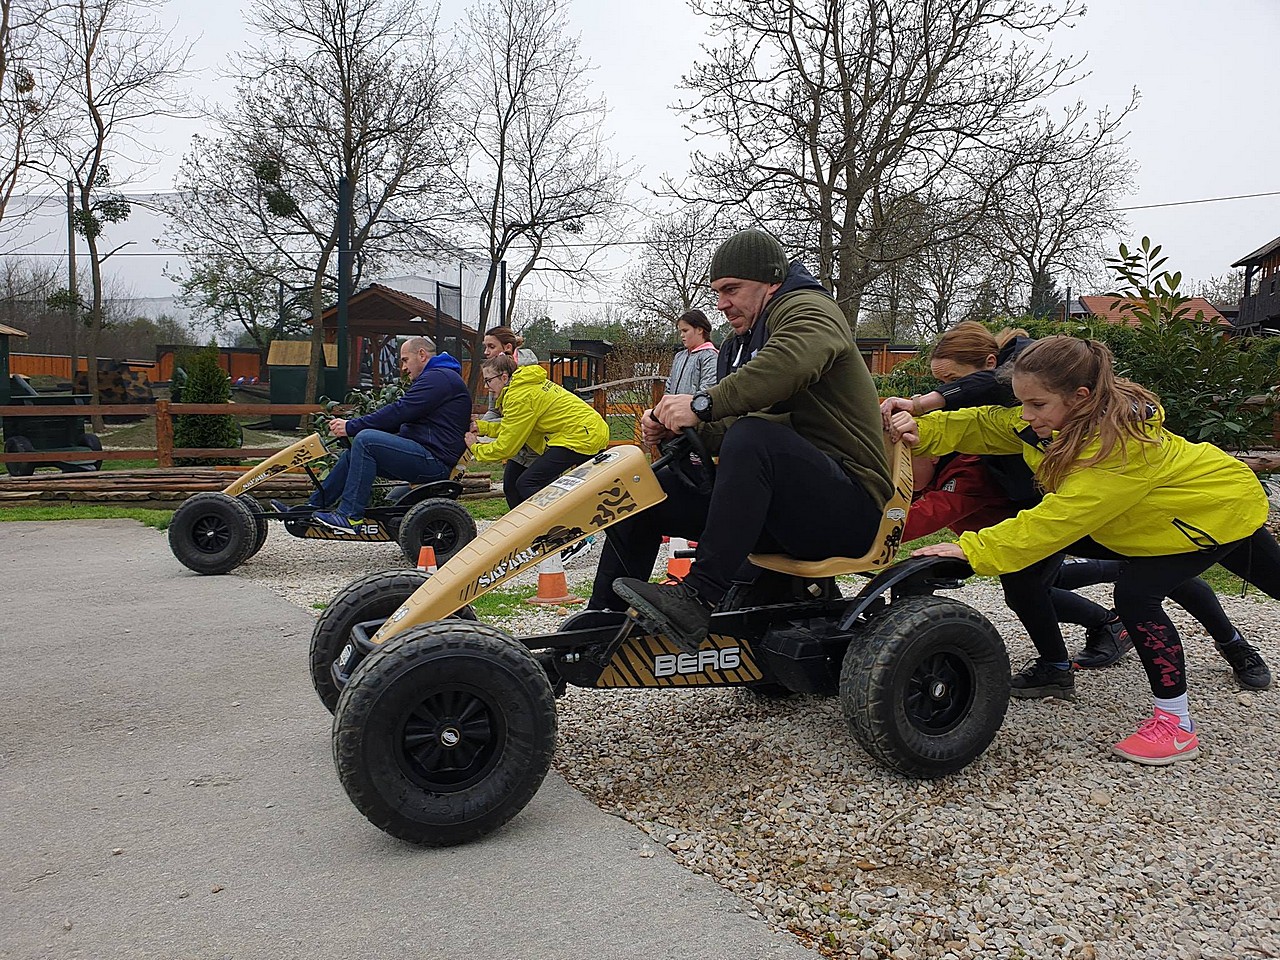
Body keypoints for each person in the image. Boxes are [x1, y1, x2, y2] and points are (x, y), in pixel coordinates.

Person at [889, 335, 1280, 765]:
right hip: (1147, 523)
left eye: (1036, 404)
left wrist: (974, 549)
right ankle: (1057, 668)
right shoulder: (1052, 421)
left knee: (1137, 595)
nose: (1025, 415)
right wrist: (921, 429)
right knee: (1041, 574)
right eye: (1022, 402)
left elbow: (1060, 518)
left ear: (1081, 396)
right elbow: (987, 424)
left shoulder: (1119, 450)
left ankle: (1177, 725)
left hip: (1214, 514)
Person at [594, 228, 893, 653]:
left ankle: (697, 597)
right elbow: (737, 424)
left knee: (755, 437)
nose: (721, 303)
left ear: (771, 280)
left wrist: (699, 405)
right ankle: (598, 628)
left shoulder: (810, 310)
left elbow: (784, 369)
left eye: (732, 289)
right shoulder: (744, 339)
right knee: (641, 496)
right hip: (783, 506)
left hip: (851, 510)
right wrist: (678, 428)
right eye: (717, 291)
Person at [905, 453, 1269, 686]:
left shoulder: (969, 466)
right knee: (1037, 587)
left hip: (1059, 525)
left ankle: (1233, 643)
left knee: (1165, 580)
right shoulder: (959, 440)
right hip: (1038, 532)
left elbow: (929, 514)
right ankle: (1086, 644)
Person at [279, 336, 471, 534]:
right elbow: (401, 418)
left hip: (434, 462)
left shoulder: (439, 378)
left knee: (366, 440)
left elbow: (400, 411)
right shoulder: (438, 377)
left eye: (405, 360)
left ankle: (349, 516)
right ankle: (311, 509)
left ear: (422, 354)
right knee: (353, 452)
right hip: (427, 455)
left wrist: (352, 426)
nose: (403, 367)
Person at [466, 353, 610, 508]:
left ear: (504, 377)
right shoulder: (524, 387)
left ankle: (556, 525)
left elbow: (506, 447)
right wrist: (483, 427)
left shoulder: (520, 396)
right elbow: (515, 427)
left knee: (527, 483)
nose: (486, 387)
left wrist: (475, 448)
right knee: (519, 484)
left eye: (488, 380)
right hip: (587, 431)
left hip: (581, 436)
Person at [664, 309, 719, 396]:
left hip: (694, 409)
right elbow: (669, 386)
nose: (682, 335)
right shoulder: (679, 356)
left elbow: (707, 391)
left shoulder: (710, 357)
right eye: (680, 331)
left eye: (685, 331)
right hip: (674, 409)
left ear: (700, 330)